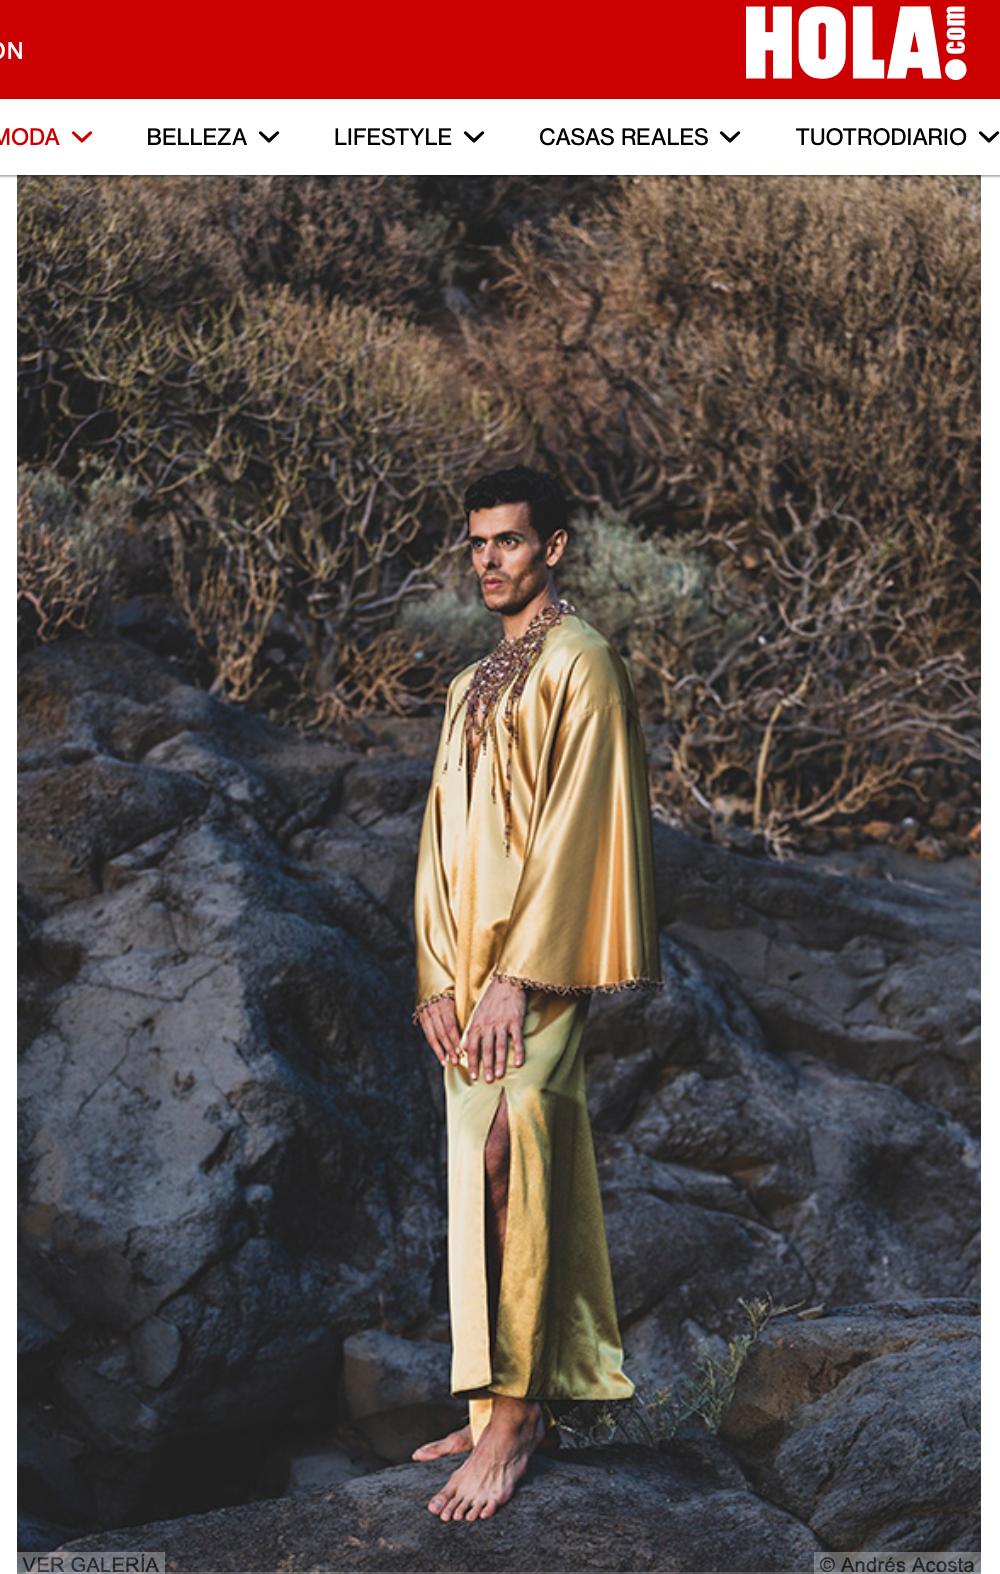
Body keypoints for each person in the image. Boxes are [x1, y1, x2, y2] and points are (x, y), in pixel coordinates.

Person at [411, 466, 662, 1522]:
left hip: (534, 975)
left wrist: (518, 976)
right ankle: (491, 1402)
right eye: (477, 543)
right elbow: (440, 835)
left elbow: (581, 826)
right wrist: (436, 976)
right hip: (466, 975)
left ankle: (516, 1421)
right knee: (478, 1167)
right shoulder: (471, 680)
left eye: (508, 541)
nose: (488, 561)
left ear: (552, 547)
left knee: (515, 1156)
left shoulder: (582, 662)